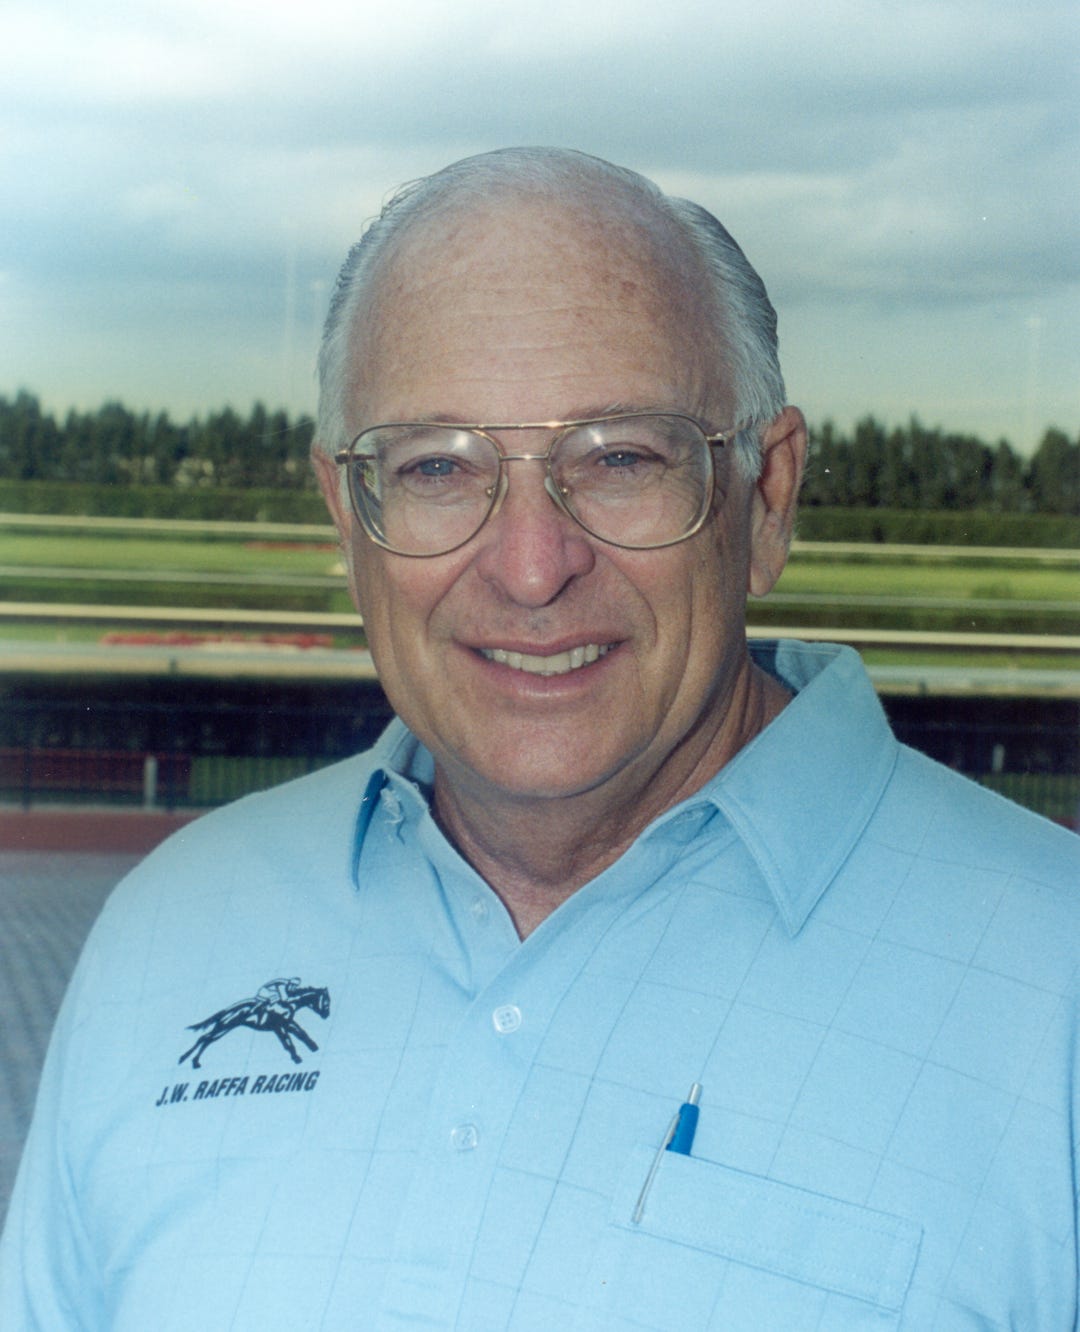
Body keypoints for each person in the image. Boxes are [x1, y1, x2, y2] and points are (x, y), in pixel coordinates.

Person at [1, 147, 1077, 1330]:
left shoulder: (1053, 986)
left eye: (619, 459)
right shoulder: (168, 931)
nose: (529, 569)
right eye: (436, 468)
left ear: (766, 499)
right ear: (346, 519)